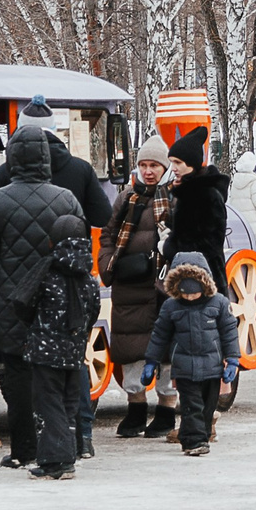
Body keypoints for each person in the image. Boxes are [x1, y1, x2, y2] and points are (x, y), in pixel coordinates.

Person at [0, 129, 85, 470]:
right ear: (45, 158)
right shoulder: (66, 199)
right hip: (59, 301)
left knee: (17, 374)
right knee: (61, 373)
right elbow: (80, 251)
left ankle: (23, 448)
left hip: (11, 301)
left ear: (13, 159)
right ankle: (72, 444)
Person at [103, 137, 177, 439]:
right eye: (143, 165)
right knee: (131, 349)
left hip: (162, 286)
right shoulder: (127, 197)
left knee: (167, 351)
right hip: (129, 286)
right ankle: (135, 408)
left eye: (154, 165)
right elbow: (109, 235)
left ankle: (166, 409)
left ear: (165, 167)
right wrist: (108, 263)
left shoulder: (175, 198)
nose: (148, 171)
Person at [20, 228, 102, 479]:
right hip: (75, 350)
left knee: (49, 403)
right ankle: (66, 455)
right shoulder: (89, 278)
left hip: (45, 350)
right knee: (68, 403)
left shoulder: (46, 270)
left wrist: (36, 328)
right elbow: (94, 312)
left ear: (53, 241)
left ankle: (57, 461)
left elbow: (22, 302)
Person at [145, 251, 243, 457]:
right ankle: (193, 441)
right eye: (185, 293)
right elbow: (160, 335)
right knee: (192, 406)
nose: (189, 297)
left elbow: (229, 332)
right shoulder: (171, 306)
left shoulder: (219, 303)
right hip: (184, 367)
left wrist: (233, 359)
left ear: (204, 286)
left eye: (194, 293)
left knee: (207, 407)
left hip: (212, 366)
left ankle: (201, 436)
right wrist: (151, 361)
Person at [0, 95, 110, 224]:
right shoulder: (82, 170)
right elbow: (102, 217)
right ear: (54, 130)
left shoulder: (3, 173)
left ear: (19, 130)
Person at [161, 127, 231, 292]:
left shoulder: (207, 195)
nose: (173, 168)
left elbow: (209, 246)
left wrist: (168, 246)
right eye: (172, 162)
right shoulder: (188, 193)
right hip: (193, 279)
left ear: (191, 163)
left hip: (206, 282)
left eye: (178, 163)